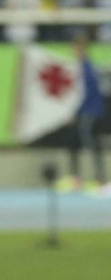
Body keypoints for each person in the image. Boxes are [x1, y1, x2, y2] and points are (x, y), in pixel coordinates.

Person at [57, 34, 110, 195]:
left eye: (75, 49)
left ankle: (101, 180)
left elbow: (84, 95)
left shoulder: (86, 69)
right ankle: (76, 178)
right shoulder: (81, 67)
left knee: (90, 143)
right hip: (86, 111)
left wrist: (74, 112)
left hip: (89, 112)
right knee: (74, 143)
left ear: (82, 49)